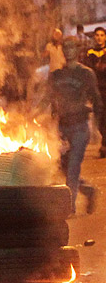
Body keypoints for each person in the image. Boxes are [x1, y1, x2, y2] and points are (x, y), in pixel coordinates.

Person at [40, 37, 102, 214]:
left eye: (71, 47)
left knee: (73, 167)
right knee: (64, 168)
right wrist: (33, 113)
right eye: (65, 47)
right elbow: (46, 98)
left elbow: (96, 100)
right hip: (63, 128)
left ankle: (69, 207)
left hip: (81, 127)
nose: (68, 51)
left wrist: (98, 128)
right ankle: (88, 190)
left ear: (78, 49)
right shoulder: (56, 75)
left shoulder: (86, 74)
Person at [83, 27, 106, 157]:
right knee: (99, 117)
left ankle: (104, 145)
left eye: (102, 35)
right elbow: (87, 69)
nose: (99, 37)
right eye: (97, 35)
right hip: (96, 89)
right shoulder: (90, 52)